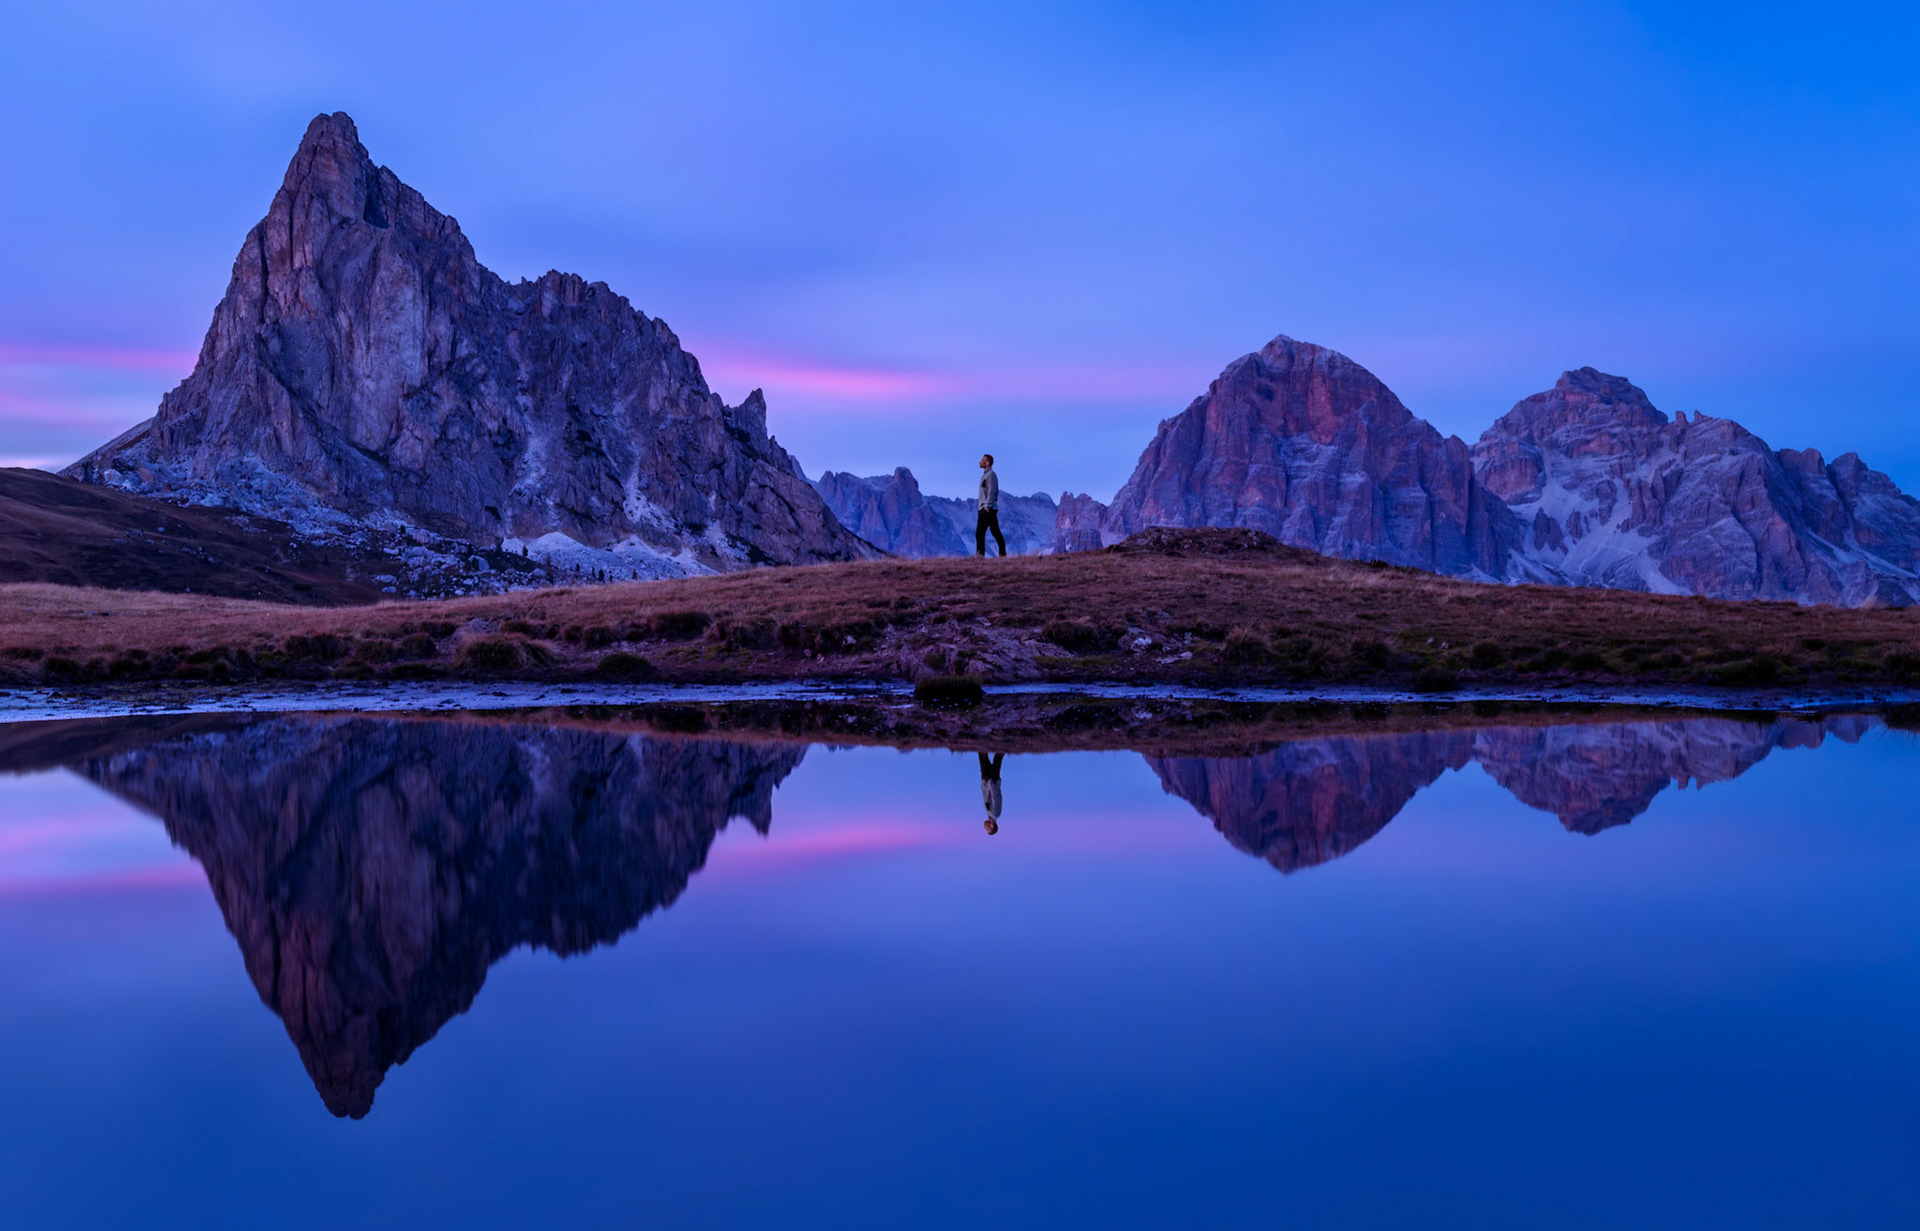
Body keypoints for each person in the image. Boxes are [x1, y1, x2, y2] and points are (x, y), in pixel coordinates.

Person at [975, 453, 1006, 557]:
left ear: (987, 463)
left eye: (982, 460)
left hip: (988, 509)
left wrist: (987, 507)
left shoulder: (991, 475)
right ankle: (1002, 554)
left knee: (980, 533)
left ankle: (980, 557)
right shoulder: (984, 475)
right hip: (984, 508)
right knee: (994, 532)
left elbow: (992, 492)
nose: (980, 462)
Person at [978, 751, 1004, 835]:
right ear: (992, 826)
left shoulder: (989, 813)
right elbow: (995, 796)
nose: (985, 827)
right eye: (988, 829)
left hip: (987, 781)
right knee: (997, 758)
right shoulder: (995, 813)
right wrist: (990, 782)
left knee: (984, 755)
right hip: (991, 780)